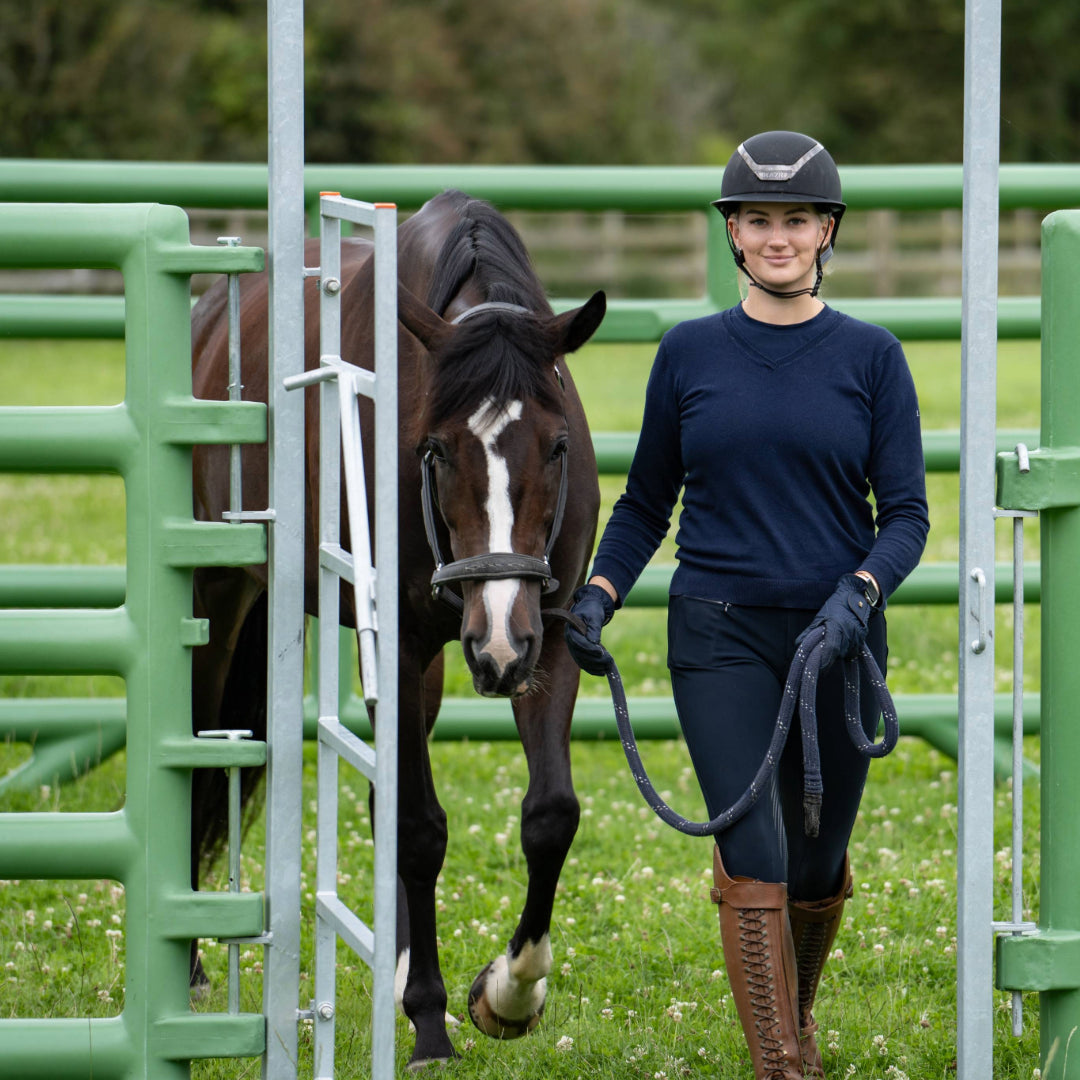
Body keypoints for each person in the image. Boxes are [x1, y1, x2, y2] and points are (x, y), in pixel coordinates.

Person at [566, 131, 929, 1079]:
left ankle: (793, 1025)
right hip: (718, 633)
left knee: (817, 865)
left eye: (796, 219)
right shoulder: (687, 355)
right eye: (758, 219)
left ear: (825, 231)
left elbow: (907, 515)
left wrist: (859, 593)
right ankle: (779, 1064)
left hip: (839, 637)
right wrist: (600, 593)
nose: (777, 237)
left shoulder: (872, 356)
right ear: (732, 233)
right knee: (755, 848)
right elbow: (648, 501)